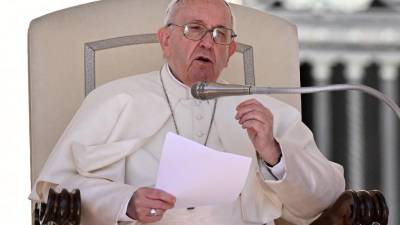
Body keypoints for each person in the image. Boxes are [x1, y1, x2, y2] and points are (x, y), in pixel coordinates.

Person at [30, 0, 345, 225]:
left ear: (229, 52)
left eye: (220, 34)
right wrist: (125, 202)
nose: (208, 42)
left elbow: (323, 199)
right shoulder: (116, 99)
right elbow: (54, 189)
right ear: (165, 40)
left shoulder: (266, 112)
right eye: (195, 29)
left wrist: (274, 155)